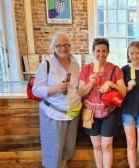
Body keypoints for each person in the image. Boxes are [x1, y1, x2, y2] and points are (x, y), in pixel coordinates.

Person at [32, 31, 82, 168]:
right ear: (52, 47)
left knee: (67, 150)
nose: (63, 48)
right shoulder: (46, 64)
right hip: (53, 114)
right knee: (53, 154)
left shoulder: (75, 64)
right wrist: (55, 88)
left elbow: (77, 87)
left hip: (73, 114)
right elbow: (36, 89)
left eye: (66, 45)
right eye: (59, 45)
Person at [78, 38, 126, 168]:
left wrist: (111, 83)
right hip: (90, 113)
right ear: (93, 52)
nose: (101, 54)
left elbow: (124, 91)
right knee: (97, 146)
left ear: (108, 52)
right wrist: (90, 83)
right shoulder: (86, 69)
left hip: (109, 113)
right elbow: (80, 92)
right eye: (98, 51)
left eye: (104, 51)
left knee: (106, 145)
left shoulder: (115, 69)